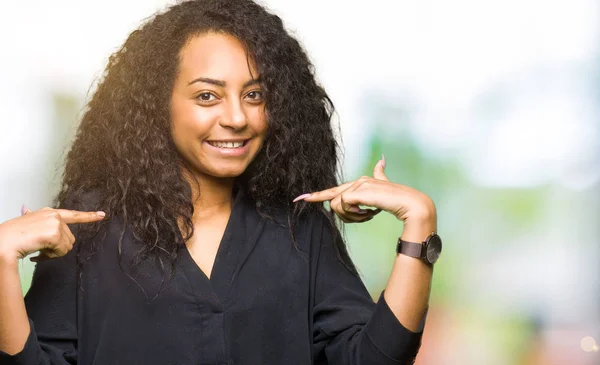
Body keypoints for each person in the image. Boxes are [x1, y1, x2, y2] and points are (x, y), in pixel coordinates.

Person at [0, 0, 440, 364]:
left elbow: (376, 359)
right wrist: (0, 262)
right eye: (207, 95)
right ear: (159, 104)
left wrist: (420, 224)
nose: (236, 117)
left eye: (254, 95)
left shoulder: (298, 228)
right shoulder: (89, 229)